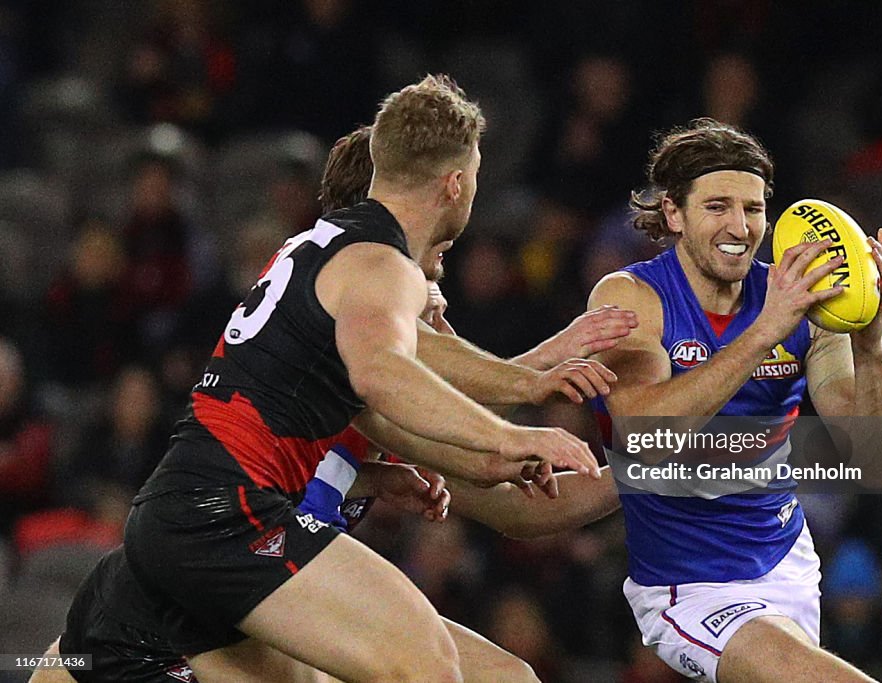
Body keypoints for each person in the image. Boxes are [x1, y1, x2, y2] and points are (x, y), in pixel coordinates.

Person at [52, 74, 614, 683]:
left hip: (198, 538)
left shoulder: (324, 275)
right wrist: (690, 455)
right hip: (223, 529)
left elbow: (451, 413)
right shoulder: (380, 274)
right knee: (421, 668)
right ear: (455, 184)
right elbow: (392, 372)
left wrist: (533, 381)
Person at [588, 118, 882, 682]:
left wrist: (871, 346)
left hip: (787, 564)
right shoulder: (631, 298)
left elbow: (874, 462)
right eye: (717, 207)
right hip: (688, 583)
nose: (740, 226)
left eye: (753, 208)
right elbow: (644, 441)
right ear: (673, 214)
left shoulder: (804, 309)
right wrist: (762, 331)